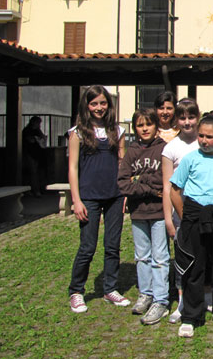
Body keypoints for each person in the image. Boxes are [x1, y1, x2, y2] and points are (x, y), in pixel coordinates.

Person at [170, 115, 213, 338]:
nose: (203, 140)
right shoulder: (190, 159)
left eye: (209, 137)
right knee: (194, 267)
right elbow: (174, 190)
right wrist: (186, 217)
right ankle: (191, 315)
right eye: (201, 135)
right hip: (194, 216)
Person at [67, 85, 130, 313]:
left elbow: (122, 164)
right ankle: (76, 291)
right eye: (94, 103)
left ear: (108, 105)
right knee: (87, 247)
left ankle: (110, 288)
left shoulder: (117, 131)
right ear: (86, 105)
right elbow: (73, 168)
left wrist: (124, 193)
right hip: (89, 198)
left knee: (112, 246)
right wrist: (77, 200)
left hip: (114, 196)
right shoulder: (77, 133)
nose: (99, 108)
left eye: (103, 103)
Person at [117, 108, 169, 325]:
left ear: (156, 126)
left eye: (149, 124)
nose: (145, 128)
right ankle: (145, 293)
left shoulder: (163, 149)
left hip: (158, 212)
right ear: (135, 128)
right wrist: (147, 187)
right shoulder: (132, 151)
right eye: (140, 125)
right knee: (142, 256)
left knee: (160, 257)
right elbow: (123, 183)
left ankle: (161, 299)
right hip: (138, 212)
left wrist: (139, 181)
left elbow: (163, 181)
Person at [161, 98, 201, 323]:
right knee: (182, 259)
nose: (187, 122)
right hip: (180, 214)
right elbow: (167, 185)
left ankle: (204, 297)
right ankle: (183, 301)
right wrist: (168, 219)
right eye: (182, 118)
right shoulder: (171, 148)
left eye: (191, 117)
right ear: (176, 120)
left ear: (198, 117)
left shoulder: (204, 142)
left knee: (203, 255)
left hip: (203, 210)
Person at [22, 116, 47, 197]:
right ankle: (34, 191)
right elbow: (30, 140)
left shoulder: (37, 131)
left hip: (38, 155)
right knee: (32, 173)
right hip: (30, 154)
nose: (39, 125)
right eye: (38, 123)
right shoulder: (27, 131)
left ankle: (38, 189)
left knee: (37, 173)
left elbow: (43, 138)